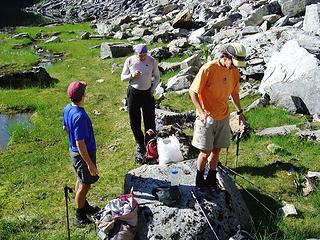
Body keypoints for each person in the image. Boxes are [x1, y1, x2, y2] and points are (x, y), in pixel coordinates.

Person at [189, 43, 247, 190]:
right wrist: (201, 112)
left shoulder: (234, 72)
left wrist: (240, 113)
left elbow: (234, 93)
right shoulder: (209, 69)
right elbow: (193, 92)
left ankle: (211, 177)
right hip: (206, 117)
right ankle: (199, 177)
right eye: (234, 64)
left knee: (217, 150)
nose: (235, 67)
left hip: (223, 116)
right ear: (226, 56)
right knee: (205, 151)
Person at [63, 81, 100, 226]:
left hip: (75, 152)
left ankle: (84, 206)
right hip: (82, 154)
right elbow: (80, 143)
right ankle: (79, 215)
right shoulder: (80, 116)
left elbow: (65, 127)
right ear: (83, 95)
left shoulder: (67, 108)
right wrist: (90, 164)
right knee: (85, 184)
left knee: (80, 178)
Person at [121, 44, 160, 162]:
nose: (142, 57)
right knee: (134, 120)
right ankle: (140, 143)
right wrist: (131, 76)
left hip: (147, 93)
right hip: (133, 93)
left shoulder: (152, 61)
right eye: (139, 55)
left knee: (150, 119)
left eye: (144, 55)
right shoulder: (130, 61)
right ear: (135, 53)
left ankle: (151, 143)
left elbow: (157, 76)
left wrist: (153, 89)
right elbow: (122, 77)